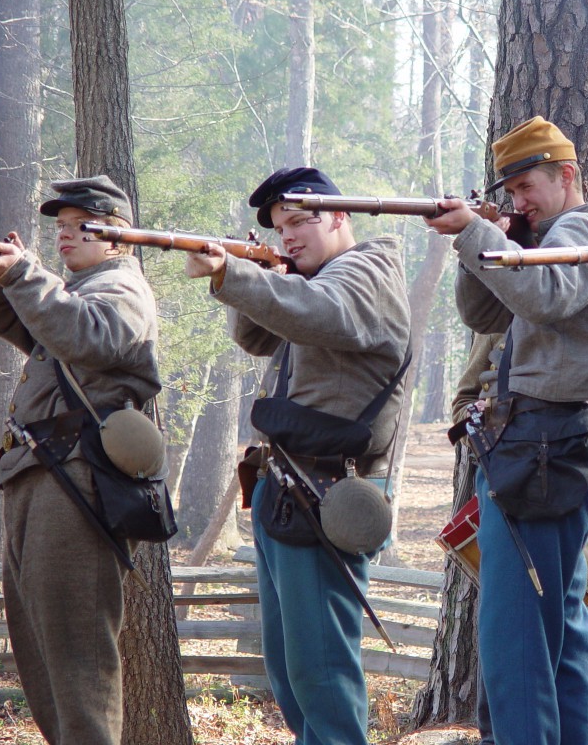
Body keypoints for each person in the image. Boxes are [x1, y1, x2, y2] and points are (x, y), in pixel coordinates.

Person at [185, 167, 410, 745]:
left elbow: (320, 312)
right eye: (281, 226)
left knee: (322, 672)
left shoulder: (365, 270)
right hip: (286, 487)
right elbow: (257, 335)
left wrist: (236, 273)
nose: (289, 235)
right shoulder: (314, 277)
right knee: (291, 669)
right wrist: (252, 273)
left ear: (340, 215)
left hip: (326, 492)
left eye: (301, 219)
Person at [425, 116, 588, 745]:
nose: (520, 202)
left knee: (513, 642)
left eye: (527, 188)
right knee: (558, 641)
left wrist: (479, 232)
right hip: (537, 450)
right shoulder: (542, 234)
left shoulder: (582, 229)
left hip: (542, 447)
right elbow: (481, 309)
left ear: (566, 175)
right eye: (510, 193)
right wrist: (488, 240)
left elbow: (544, 300)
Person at [0, 176, 160, 745]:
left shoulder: (121, 286)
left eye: (79, 225)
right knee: (42, 650)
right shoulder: (78, 289)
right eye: (59, 227)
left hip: (77, 482)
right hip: (44, 476)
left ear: (117, 237)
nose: (64, 236)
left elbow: (91, 338)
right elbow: (32, 323)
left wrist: (24, 275)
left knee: (78, 657)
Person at [453, 331, 588, 745]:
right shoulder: (499, 320)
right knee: (514, 649)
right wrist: (503, 452)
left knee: (585, 657)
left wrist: (583, 470)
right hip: (509, 493)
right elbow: (464, 402)